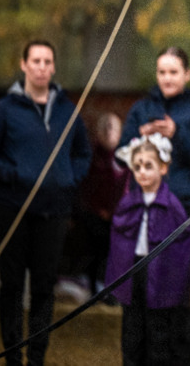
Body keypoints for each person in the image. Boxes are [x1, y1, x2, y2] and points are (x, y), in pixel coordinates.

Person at [0, 39, 92, 366]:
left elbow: (82, 152)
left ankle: (37, 357)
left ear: (53, 67)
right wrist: (14, 174)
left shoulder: (66, 109)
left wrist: (69, 179)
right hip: (12, 209)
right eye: (35, 60)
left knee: (44, 288)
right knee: (12, 286)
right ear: (24, 65)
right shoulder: (5, 110)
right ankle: (13, 358)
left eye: (47, 61)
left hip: (54, 212)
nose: (42, 67)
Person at [105, 133, 190, 366]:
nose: (142, 172)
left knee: (159, 331)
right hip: (134, 272)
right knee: (132, 329)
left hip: (161, 277)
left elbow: (181, 249)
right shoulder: (128, 203)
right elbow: (118, 242)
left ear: (163, 168)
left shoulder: (172, 205)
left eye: (148, 166)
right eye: (137, 167)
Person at [120, 46, 190, 215]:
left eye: (173, 72)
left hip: (185, 204)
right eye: (162, 72)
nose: (167, 79)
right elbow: (120, 157)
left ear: (187, 74)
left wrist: (176, 134)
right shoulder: (141, 109)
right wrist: (139, 138)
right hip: (143, 201)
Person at [63, 111, 127, 297]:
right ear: (97, 132)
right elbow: (81, 188)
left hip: (118, 219)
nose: (108, 132)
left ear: (120, 132)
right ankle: (92, 290)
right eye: (104, 127)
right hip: (91, 218)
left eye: (112, 127)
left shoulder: (125, 159)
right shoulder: (89, 158)